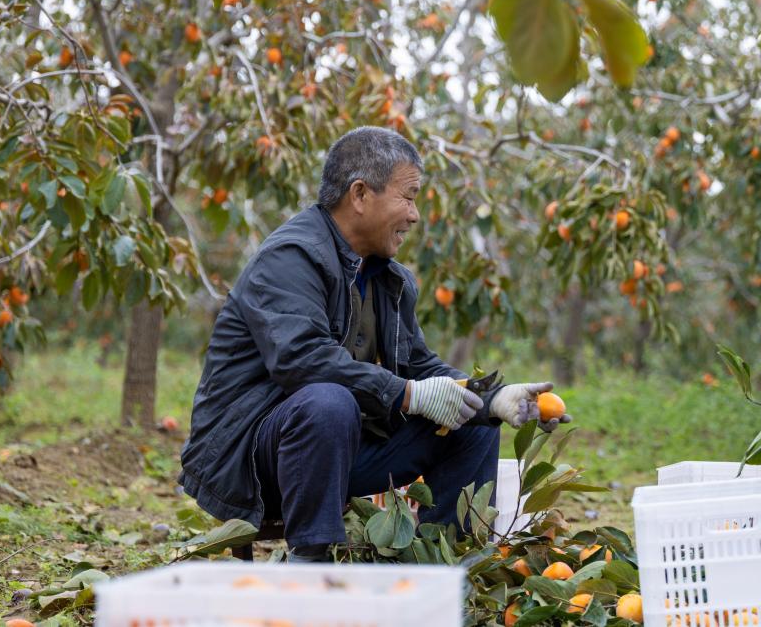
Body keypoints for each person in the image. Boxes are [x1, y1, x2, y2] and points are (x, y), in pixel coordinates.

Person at [179, 126, 569, 561]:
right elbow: (302, 360)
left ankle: (442, 565)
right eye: (408, 196)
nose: (415, 214)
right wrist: (407, 394)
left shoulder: (389, 278)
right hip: (253, 458)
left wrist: (493, 398)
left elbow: (419, 366)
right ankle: (312, 563)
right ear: (360, 194)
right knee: (329, 401)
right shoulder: (291, 257)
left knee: (471, 421)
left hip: (337, 447)